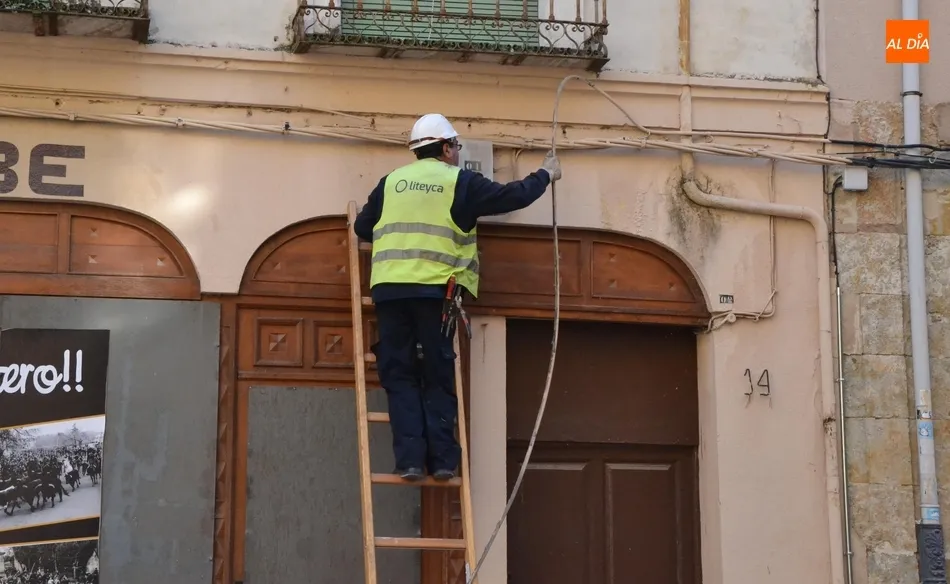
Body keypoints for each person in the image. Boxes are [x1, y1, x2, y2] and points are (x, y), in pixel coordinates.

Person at [353, 113, 561, 481]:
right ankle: (444, 462)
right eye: (457, 147)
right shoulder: (458, 182)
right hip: (434, 292)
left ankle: (411, 462)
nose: (458, 154)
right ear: (446, 147)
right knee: (436, 372)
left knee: (399, 374)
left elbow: (363, 226)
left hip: (388, 291)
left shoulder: (391, 182)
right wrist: (544, 174)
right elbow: (512, 196)